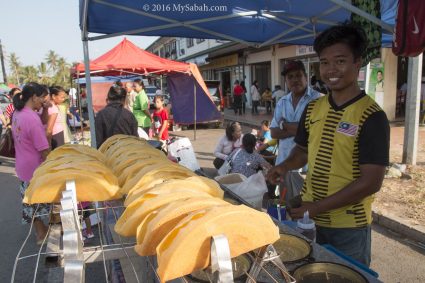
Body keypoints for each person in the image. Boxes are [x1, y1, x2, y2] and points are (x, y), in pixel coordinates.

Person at [267, 23, 390, 267]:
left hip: (349, 228)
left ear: (357, 63)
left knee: (346, 275)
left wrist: (316, 207)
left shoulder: (372, 116)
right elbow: (302, 151)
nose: (331, 70)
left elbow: (371, 181)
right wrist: (284, 167)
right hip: (309, 218)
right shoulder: (314, 107)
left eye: (340, 61)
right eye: (324, 62)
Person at [270, 60, 321, 203]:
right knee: (286, 207)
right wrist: (301, 129)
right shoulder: (282, 102)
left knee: (306, 211)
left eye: (298, 75)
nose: (294, 80)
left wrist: (284, 125)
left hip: (308, 169)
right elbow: (273, 133)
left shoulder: (319, 100)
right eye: (290, 77)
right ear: (286, 81)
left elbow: (315, 132)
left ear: (306, 76)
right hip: (284, 166)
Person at [11, 82, 51, 245]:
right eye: (42, 98)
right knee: (38, 204)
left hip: (23, 166)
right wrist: (53, 165)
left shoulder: (19, 112)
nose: (44, 101)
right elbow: (43, 149)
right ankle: (41, 235)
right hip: (34, 168)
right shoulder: (30, 118)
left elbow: (41, 121)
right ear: (34, 97)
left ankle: (40, 232)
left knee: (30, 203)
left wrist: (46, 109)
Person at [95, 84, 138, 148]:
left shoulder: (101, 115)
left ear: (108, 98)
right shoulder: (129, 115)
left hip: (108, 154)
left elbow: (98, 141)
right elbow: (135, 139)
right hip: (127, 153)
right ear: (123, 99)